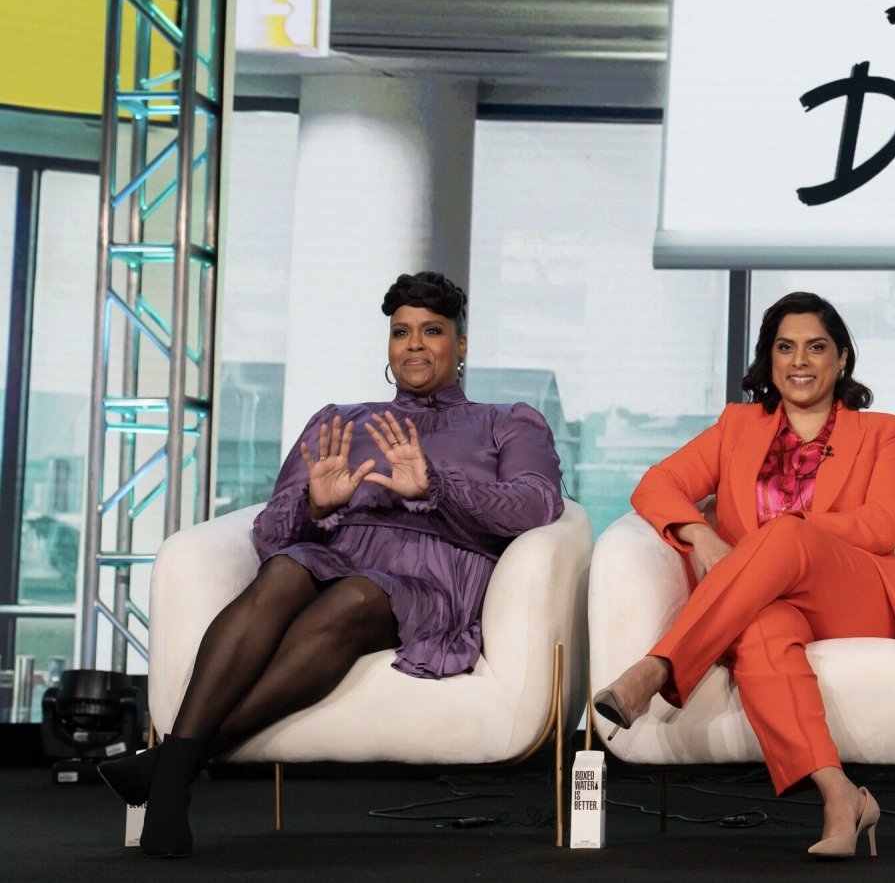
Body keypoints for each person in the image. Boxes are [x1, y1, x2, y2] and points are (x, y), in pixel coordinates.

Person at [98, 271, 566, 858]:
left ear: (461, 344)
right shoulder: (337, 420)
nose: (414, 344)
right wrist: (315, 503)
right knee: (284, 571)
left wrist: (436, 486)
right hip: (336, 550)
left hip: (430, 575)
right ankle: (177, 772)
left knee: (356, 597)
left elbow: (538, 502)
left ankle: (172, 768)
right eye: (401, 332)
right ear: (389, 345)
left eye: (432, 330)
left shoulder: (507, 420)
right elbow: (269, 532)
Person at [591, 292, 895, 860]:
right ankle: (840, 795)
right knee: (762, 629)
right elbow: (657, 484)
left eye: (816, 348)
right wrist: (701, 535)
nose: (799, 362)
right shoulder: (739, 426)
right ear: (768, 360)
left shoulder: (886, 431)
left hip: (854, 593)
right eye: (784, 348)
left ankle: (657, 668)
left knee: (787, 534)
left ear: (842, 359)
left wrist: (790, 533)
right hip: (767, 598)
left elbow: (887, 522)